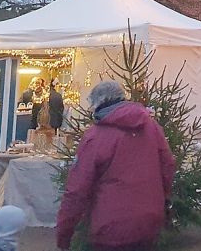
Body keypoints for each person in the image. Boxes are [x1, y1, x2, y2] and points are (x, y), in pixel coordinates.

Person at [56, 80, 177, 251]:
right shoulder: (152, 127)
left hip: (110, 226)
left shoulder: (95, 137)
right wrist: (161, 199)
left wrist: (63, 235)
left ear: (97, 104)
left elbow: (77, 190)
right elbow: (168, 166)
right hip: (149, 221)